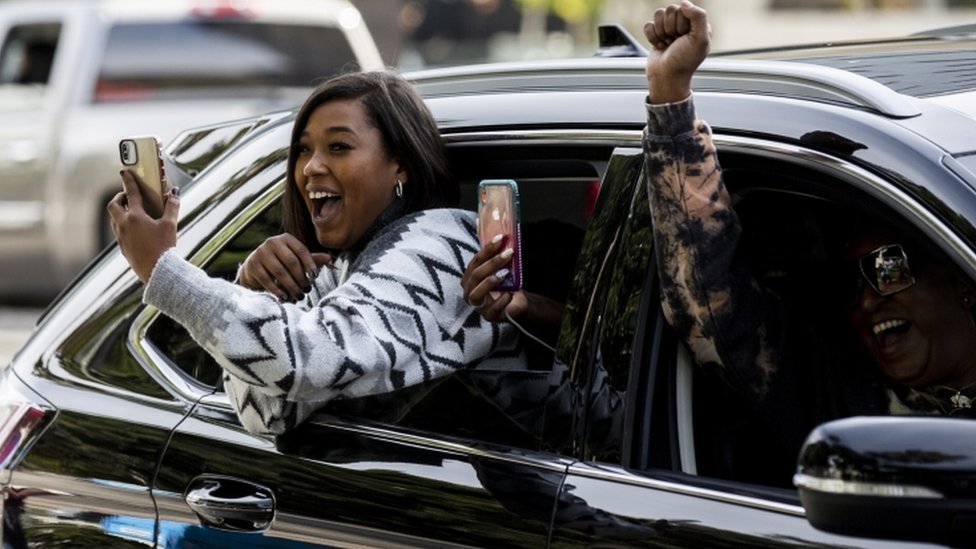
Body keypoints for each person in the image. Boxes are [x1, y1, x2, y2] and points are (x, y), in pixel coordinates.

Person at [108, 70, 524, 436]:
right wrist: (258, 292)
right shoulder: (343, 265)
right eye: (304, 149)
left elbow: (311, 361)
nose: (310, 167)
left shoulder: (438, 243)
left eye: (338, 147)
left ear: (401, 164)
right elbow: (267, 413)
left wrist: (164, 270)